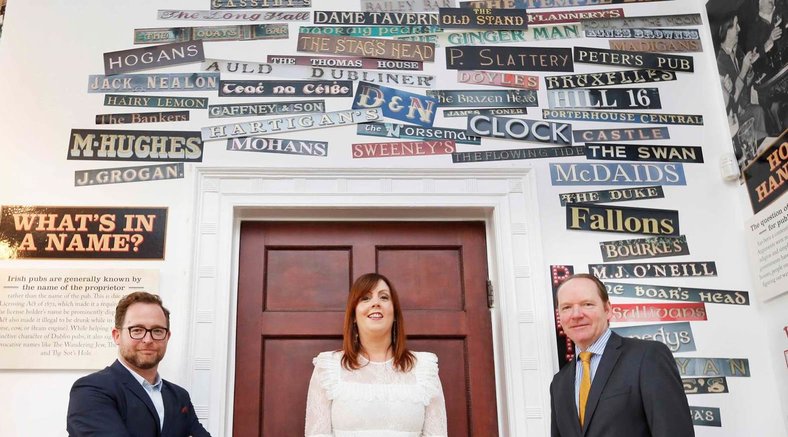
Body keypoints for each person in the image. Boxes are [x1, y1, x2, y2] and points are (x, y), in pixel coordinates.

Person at [549, 274, 694, 437]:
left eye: (587, 304)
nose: (576, 314)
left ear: (608, 309)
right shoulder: (559, 384)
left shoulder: (647, 357)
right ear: (560, 316)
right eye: (566, 307)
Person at [304, 273, 447, 436]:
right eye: (365, 298)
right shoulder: (329, 368)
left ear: (394, 314)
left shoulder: (424, 369)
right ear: (353, 316)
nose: (375, 303)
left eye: (384, 297)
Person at [67, 292, 211, 437]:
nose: (148, 339)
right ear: (117, 336)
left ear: (167, 337)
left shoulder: (179, 397)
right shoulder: (91, 390)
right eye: (137, 330)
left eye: (157, 331)